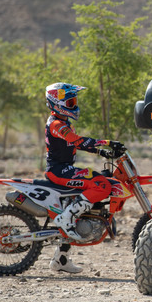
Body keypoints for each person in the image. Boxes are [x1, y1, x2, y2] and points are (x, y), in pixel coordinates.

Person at [44, 82, 118, 273]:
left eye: (73, 101)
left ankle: (60, 260)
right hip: (59, 171)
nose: (74, 105)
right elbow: (77, 141)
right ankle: (65, 219)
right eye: (70, 103)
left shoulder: (64, 123)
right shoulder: (57, 124)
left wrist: (101, 151)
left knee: (98, 183)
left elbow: (77, 145)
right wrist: (106, 143)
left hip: (65, 169)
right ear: (56, 103)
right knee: (102, 185)